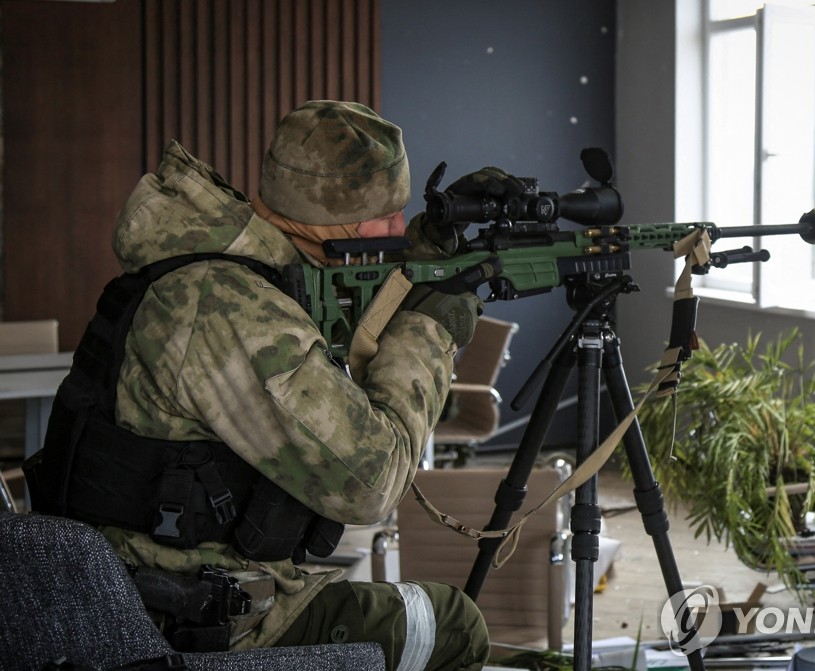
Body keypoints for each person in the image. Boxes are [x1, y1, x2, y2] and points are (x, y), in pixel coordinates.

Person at [25, 100, 522, 671]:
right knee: (453, 624)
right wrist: (430, 331)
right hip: (188, 617)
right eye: (387, 215)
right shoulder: (234, 310)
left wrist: (428, 255)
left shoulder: (214, 267)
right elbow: (372, 484)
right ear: (332, 220)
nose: (396, 232)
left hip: (134, 583)